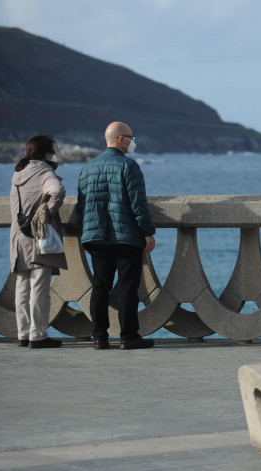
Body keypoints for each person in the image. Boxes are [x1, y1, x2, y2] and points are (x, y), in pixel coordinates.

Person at [76, 122, 157, 350]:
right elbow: (138, 204)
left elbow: (82, 208)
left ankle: (99, 337)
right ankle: (128, 336)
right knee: (128, 286)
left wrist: (85, 235)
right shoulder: (129, 166)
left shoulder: (87, 169)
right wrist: (148, 232)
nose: (133, 141)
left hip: (96, 236)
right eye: (131, 137)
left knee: (100, 286)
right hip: (125, 237)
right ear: (121, 139)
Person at [9, 135, 67, 348]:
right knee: (39, 287)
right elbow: (57, 191)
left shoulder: (18, 174)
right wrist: (47, 212)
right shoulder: (44, 172)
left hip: (19, 237)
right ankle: (38, 335)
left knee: (22, 286)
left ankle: (23, 333)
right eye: (52, 150)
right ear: (46, 153)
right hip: (39, 235)